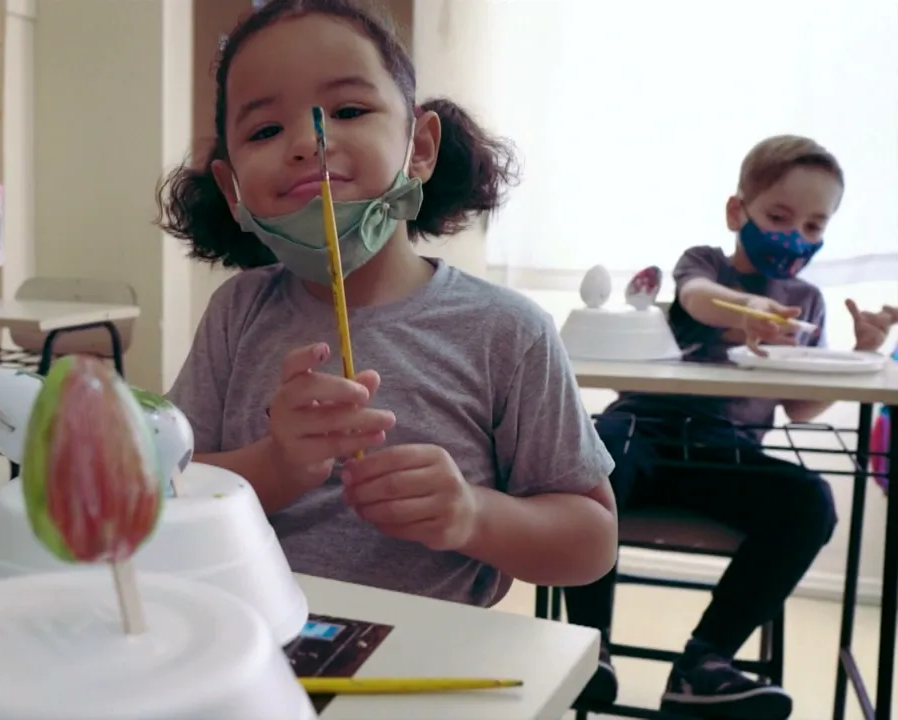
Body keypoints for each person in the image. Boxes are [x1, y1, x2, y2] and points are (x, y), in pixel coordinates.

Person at [157, 0, 618, 611]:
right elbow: (166, 492)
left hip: (423, 663)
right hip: (248, 641)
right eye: (265, 129)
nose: (306, 143)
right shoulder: (237, 313)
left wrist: (472, 515)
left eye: (348, 111)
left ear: (421, 147)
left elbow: (591, 544)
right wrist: (276, 464)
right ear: (232, 190)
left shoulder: (508, 332)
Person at [564, 135, 898, 720]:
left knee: (810, 503)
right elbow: (698, 300)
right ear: (737, 212)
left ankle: (705, 662)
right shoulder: (705, 264)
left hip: (726, 456)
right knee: (589, 463)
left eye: (816, 227)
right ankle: (590, 646)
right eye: (778, 217)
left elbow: (799, 407)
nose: (796, 238)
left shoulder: (808, 301)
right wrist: (749, 315)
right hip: (644, 428)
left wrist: (865, 350)